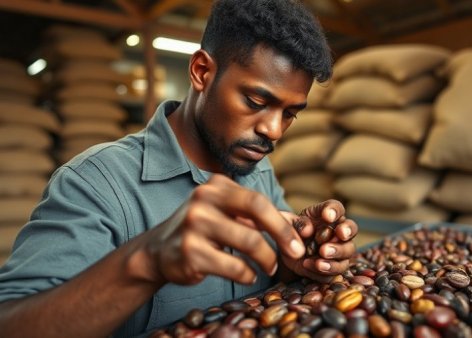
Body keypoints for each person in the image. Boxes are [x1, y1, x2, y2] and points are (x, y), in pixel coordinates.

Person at [0, 0, 358, 336]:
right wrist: (144, 263)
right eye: (255, 101)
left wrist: (297, 259)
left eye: (290, 113)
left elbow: (269, 279)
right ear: (202, 71)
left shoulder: (258, 171)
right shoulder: (97, 183)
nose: (273, 130)